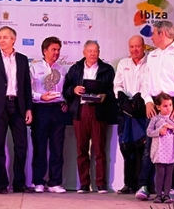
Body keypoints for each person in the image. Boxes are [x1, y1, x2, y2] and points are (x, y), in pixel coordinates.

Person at [141, 20, 174, 201]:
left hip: (173, 102)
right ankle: (148, 186)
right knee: (151, 145)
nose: (151, 37)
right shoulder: (153, 55)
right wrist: (148, 101)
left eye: (154, 33)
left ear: (162, 33)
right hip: (155, 102)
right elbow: (146, 81)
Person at [0, 26, 34, 194]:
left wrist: (29, 108)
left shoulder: (23, 59)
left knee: (21, 147)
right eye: (0, 37)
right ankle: (2, 184)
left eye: (5, 37)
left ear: (13, 39)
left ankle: (19, 183)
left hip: (18, 106)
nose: (2, 40)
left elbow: (26, 86)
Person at [63, 40, 116, 193]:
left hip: (99, 111)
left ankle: (101, 184)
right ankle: (84, 184)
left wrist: (105, 95)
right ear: (84, 52)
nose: (93, 54)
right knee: (81, 149)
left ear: (99, 52)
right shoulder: (75, 69)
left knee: (99, 149)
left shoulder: (107, 69)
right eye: (90, 51)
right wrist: (74, 90)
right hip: (80, 111)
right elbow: (65, 90)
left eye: (96, 51)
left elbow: (113, 90)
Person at [29, 36, 69, 193]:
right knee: (39, 147)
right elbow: (28, 90)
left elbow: (66, 90)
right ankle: (38, 181)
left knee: (57, 147)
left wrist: (66, 101)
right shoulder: (34, 68)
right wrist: (41, 97)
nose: (56, 53)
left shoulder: (62, 69)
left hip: (58, 111)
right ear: (45, 51)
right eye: (53, 49)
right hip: (40, 109)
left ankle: (55, 183)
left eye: (58, 50)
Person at [113, 35, 150, 197]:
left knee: (143, 148)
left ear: (144, 47)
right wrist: (123, 99)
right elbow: (117, 85)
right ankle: (129, 184)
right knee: (126, 148)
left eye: (137, 46)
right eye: (132, 47)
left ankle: (144, 184)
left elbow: (149, 84)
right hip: (126, 111)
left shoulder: (151, 62)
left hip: (143, 109)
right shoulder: (123, 63)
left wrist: (139, 100)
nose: (134, 50)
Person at [147, 93, 174, 204]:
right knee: (160, 173)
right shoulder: (155, 119)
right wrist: (159, 131)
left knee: (169, 174)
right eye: (165, 106)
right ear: (158, 107)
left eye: (170, 105)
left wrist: (172, 127)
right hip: (159, 150)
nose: (168, 108)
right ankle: (158, 195)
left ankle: (167, 195)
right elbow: (149, 132)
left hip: (171, 150)